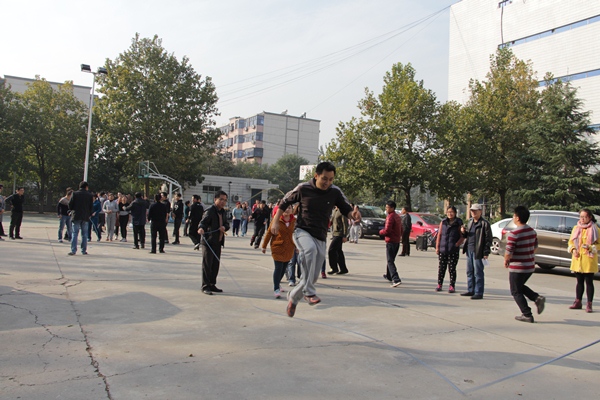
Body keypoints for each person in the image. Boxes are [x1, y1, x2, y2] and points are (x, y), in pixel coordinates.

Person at [271, 161, 354, 318]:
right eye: (324, 178)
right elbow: (284, 202)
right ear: (316, 176)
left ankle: (293, 297)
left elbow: (346, 208)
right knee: (309, 250)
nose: (327, 182)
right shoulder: (303, 188)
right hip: (302, 231)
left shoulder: (335, 191)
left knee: (313, 276)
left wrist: (352, 215)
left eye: (331, 179)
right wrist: (275, 221)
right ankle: (309, 292)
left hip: (320, 235)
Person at [504, 206, 545, 323]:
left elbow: (508, 252)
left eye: (514, 215)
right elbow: (535, 247)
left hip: (518, 267)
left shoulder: (514, 234)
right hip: (530, 265)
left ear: (517, 218)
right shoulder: (532, 231)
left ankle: (527, 314)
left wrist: (506, 260)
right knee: (519, 286)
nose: (513, 217)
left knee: (515, 291)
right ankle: (536, 298)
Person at [198, 190, 230, 295]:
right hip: (208, 242)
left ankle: (212, 284)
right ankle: (205, 286)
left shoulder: (223, 212)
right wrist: (201, 228)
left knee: (215, 265)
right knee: (207, 264)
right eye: (221, 199)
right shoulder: (210, 211)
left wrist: (224, 227)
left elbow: (227, 224)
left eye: (225, 200)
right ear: (215, 199)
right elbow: (203, 223)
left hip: (218, 242)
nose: (223, 202)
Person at [567, 208, 599, 313]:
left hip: (588, 260)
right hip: (578, 259)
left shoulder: (595, 229)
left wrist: (590, 247)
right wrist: (573, 249)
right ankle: (578, 301)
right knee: (579, 281)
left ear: (590, 217)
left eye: (585, 217)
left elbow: (599, 245)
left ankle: (589, 304)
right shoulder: (576, 228)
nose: (582, 219)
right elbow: (571, 242)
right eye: (581, 217)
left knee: (589, 282)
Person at [262, 204, 296, 298]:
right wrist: (264, 246)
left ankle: (278, 283)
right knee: (278, 267)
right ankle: (276, 288)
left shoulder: (295, 221)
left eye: (289, 208)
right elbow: (269, 233)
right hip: (277, 247)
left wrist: (298, 246)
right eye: (285, 208)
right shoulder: (276, 220)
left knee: (284, 268)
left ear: (292, 210)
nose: (287, 210)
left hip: (289, 248)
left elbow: (297, 234)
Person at [461, 204, 492, 300]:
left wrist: (486, 252)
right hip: (469, 249)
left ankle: (478, 292)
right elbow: (468, 236)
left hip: (478, 251)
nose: (473, 212)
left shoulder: (484, 224)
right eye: (472, 211)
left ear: (480, 211)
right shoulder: (470, 222)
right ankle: (471, 289)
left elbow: (488, 239)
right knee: (469, 271)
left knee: (478, 272)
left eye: (475, 211)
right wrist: (464, 232)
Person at [435, 206, 464, 293]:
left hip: (453, 249)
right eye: (448, 212)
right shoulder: (443, 222)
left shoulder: (458, 222)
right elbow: (439, 235)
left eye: (451, 212)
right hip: (443, 249)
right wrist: (437, 247)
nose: (450, 214)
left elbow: (462, 236)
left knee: (452, 269)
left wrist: (457, 244)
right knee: (441, 268)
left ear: (455, 213)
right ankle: (439, 284)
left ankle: (452, 286)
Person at [380, 200, 403, 287]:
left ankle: (396, 279)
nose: (386, 209)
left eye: (387, 207)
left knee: (390, 261)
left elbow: (387, 230)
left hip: (391, 241)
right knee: (391, 259)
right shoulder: (397, 216)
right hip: (396, 241)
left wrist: (381, 232)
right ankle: (389, 275)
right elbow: (401, 229)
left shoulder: (390, 217)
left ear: (392, 208)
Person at [68, 181, 93, 255]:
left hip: (76, 215)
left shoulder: (75, 194)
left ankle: (73, 250)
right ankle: (83, 250)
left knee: (75, 233)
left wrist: (72, 210)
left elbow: (70, 204)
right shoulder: (89, 195)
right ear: (86, 187)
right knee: (84, 234)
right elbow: (91, 206)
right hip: (85, 216)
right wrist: (89, 214)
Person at [328, 205, 350, 275]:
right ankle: (343, 269)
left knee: (331, 250)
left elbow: (345, 224)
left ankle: (334, 268)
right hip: (335, 233)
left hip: (339, 234)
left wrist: (345, 235)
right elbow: (331, 221)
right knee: (338, 251)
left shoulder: (342, 211)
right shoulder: (335, 210)